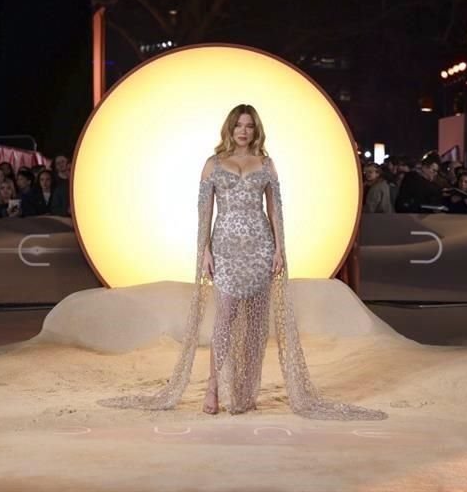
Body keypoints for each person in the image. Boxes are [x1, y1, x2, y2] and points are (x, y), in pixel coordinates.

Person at [98, 103, 385, 420]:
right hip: (225, 249)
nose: (244, 131)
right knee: (224, 319)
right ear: (230, 129)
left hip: (260, 247)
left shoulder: (266, 164)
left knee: (255, 326)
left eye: (249, 126)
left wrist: (279, 250)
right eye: (238, 125)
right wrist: (204, 250)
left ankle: (246, 391)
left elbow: (275, 210)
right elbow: (204, 212)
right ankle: (213, 388)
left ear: (255, 129)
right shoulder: (213, 164)